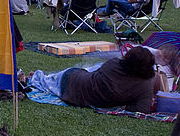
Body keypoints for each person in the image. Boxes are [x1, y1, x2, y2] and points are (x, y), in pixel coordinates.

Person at [26, 46, 157, 113]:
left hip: (74, 82)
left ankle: (34, 77)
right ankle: (41, 76)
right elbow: (143, 108)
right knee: (84, 70)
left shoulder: (113, 64)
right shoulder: (145, 85)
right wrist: (123, 104)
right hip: (82, 85)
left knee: (48, 80)